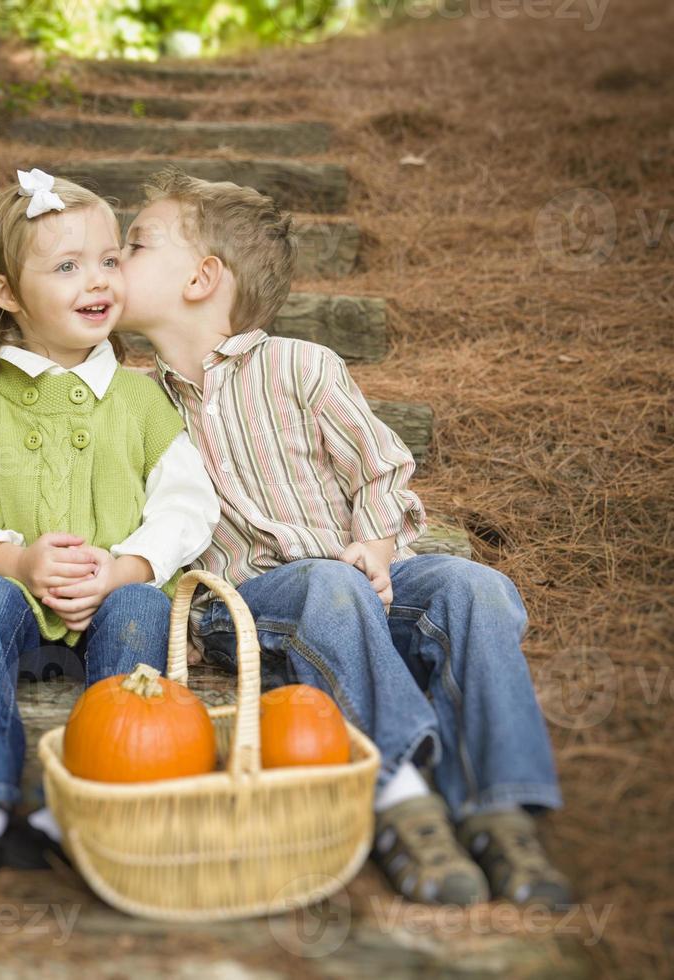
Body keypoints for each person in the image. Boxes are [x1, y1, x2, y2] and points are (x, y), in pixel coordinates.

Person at [105, 167, 572, 908]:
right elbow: (132, 526)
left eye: (132, 245)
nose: (112, 261)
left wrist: (379, 546)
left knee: (471, 585)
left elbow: (380, 474)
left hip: (364, 578)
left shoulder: (303, 368)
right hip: (247, 605)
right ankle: (401, 798)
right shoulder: (130, 403)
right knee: (328, 584)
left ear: (201, 279)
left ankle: (498, 811)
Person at [0, 168, 220, 877]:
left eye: (110, 261)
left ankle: (90, 793)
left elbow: (186, 503)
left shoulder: (142, 405)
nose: (99, 281)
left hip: (109, 600)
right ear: (6, 292)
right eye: (68, 266)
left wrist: (128, 566)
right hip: (14, 603)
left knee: (144, 607)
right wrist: (11, 561)